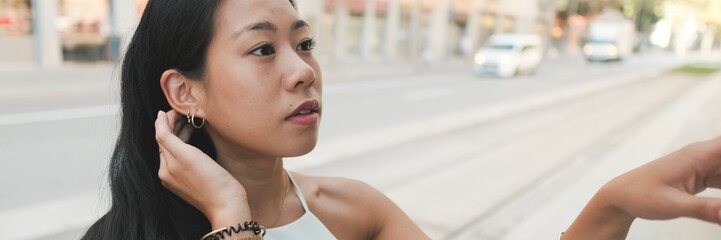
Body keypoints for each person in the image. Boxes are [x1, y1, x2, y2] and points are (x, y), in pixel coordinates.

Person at [82, 0, 721, 239]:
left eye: (304, 43)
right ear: (183, 93)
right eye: (262, 49)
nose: (303, 69)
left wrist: (612, 205)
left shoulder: (352, 211)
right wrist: (230, 219)